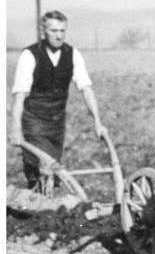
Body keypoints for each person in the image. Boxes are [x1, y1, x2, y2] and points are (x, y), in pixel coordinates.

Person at [10, 10, 108, 189]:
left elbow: (86, 90)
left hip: (57, 123)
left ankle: (46, 207)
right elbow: (19, 96)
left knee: (53, 174)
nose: (59, 36)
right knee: (41, 170)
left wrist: (98, 123)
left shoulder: (72, 54)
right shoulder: (30, 55)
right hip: (34, 122)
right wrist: (16, 128)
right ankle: (38, 209)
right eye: (54, 31)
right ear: (43, 31)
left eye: (62, 31)